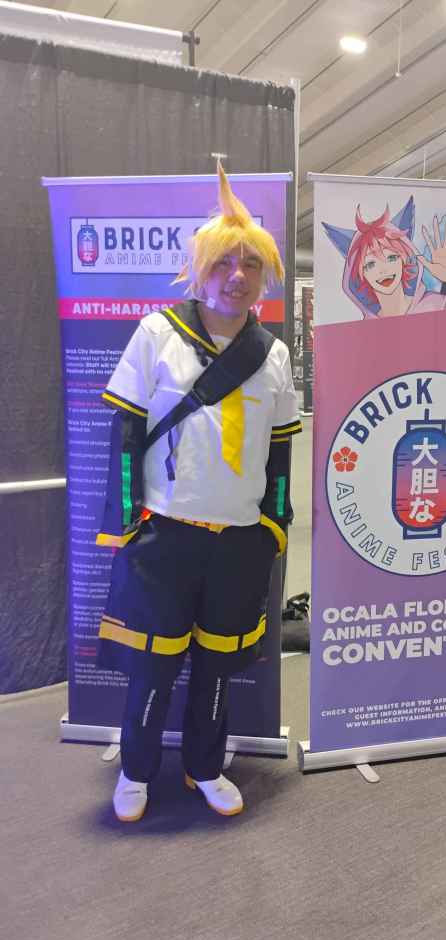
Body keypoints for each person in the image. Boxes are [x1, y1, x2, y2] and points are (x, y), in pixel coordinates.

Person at [96, 163, 302, 822]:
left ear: (265, 276)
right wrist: (126, 521)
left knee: (217, 667)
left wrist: (274, 523)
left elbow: (279, 450)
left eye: (251, 264)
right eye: (223, 263)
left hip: (239, 541)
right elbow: (126, 434)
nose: (237, 276)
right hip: (167, 535)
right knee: (154, 666)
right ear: (198, 270)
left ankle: (205, 767)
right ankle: (135, 769)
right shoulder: (158, 333)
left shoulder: (273, 354)